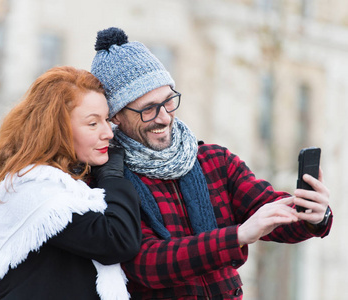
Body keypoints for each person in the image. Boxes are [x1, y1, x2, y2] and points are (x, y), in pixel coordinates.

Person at [90, 27, 332, 300]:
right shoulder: (109, 180)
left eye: (169, 102)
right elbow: (146, 263)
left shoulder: (213, 161)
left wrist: (314, 214)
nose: (165, 117)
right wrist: (237, 236)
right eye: (148, 109)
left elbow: (270, 211)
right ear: (116, 117)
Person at [0, 66, 141, 300]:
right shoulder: (34, 189)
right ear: (58, 129)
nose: (109, 133)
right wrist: (113, 177)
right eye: (93, 124)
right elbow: (117, 240)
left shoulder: (71, 184)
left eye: (107, 120)